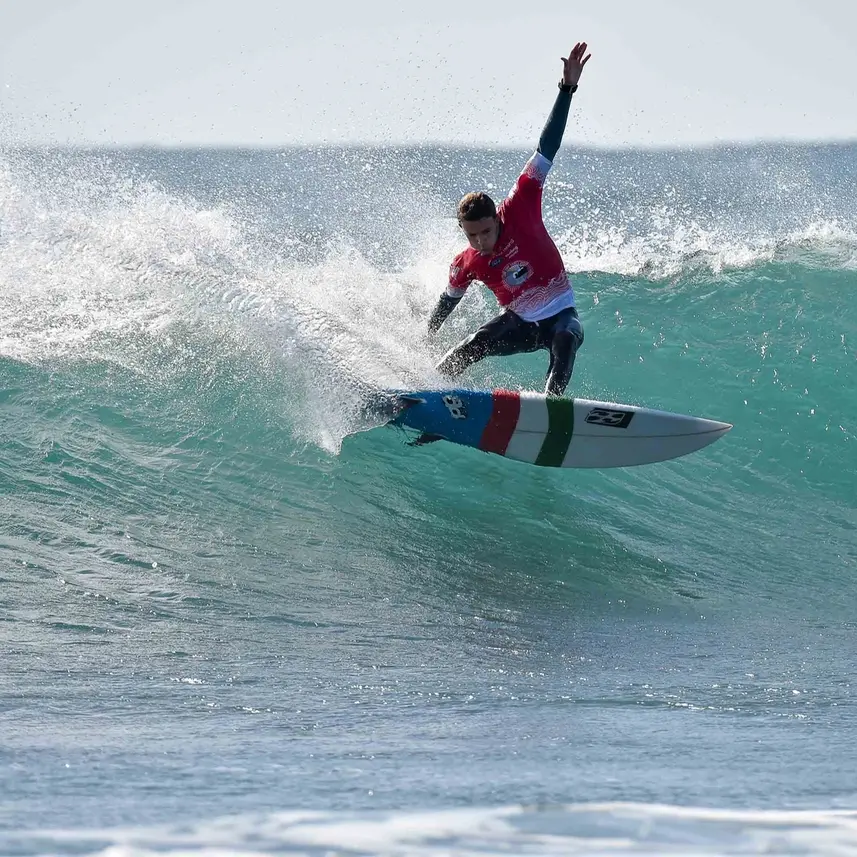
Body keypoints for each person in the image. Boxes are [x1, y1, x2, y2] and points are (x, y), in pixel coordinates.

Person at [427, 42, 591, 396]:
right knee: (468, 347)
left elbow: (547, 147)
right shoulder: (467, 262)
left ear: (496, 218)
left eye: (485, 232)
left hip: (560, 314)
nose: (480, 242)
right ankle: (427, 393)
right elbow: (447, 301)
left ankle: (551, 407)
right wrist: (425, 336)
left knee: (565, 343)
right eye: (471, 236)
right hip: (519, 324)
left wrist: (567, 89)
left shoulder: (520, 203)